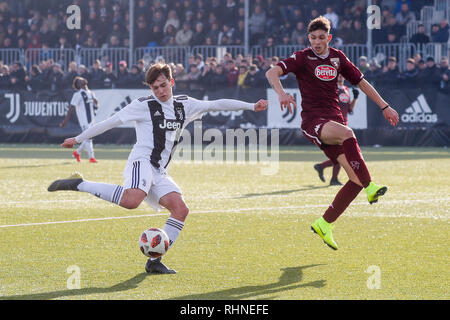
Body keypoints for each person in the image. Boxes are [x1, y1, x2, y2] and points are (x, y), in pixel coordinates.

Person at [48, 63, 268, 274]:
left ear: (172, 81)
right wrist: (77, 138)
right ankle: (80, 184)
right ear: (150, 88)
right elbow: (110, 122)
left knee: (181, 210)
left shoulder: (185, 104)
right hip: (141, 161)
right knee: (132, 200)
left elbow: (216, 104)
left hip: (160, 170)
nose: (160, 91)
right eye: (155, 87)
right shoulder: (143, 105)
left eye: (164, 85)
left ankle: (155, 261)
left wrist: (251, 106)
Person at [265, 16, 399, 250]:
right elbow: (271, 73)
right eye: (313, 38)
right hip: (313, 122)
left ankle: (324, 224)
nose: (316, 42)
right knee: (348, 133)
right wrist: (281, 93)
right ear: (309, 38)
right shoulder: (302, 57)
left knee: (354, 180)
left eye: (321, 38)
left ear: (329, 38)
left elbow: (362, 83)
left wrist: (385, 106)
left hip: (333, 120)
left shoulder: (338, 57)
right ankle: (371, 187)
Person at [313, 74, 359, 186]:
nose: (340, 77)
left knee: (341, 154)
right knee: (342, 153)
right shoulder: (331, 88)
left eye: (342, 75)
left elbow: (350, 109)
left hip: (344, 124)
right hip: (334, 124)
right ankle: (331, 176)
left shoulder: (346, 89)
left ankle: (323, 168)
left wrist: (355, 98)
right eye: (338, 75)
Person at [60, 76, 99, 163]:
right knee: (88, 138)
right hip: (84, 120)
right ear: (79, 84)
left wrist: (96, 103)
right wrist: (65, 121)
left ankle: (77, 153)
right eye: (80, 80)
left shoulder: (91, 93)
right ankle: (91, 157)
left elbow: (95, 106)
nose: (83, 79)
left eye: (82, 78)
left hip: (92, 119)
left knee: (87, 138)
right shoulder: (77, 94)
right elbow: (71, 108)